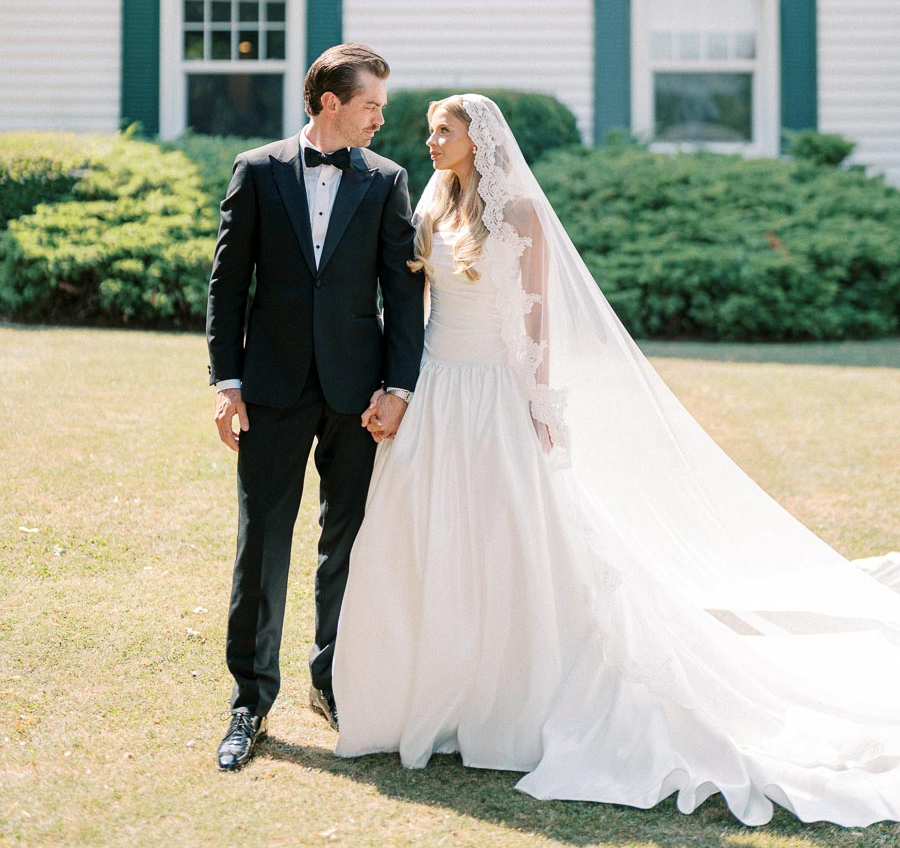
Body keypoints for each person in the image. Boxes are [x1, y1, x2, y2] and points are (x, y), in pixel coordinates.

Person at [333, 94, 900, 828]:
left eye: (448, 130)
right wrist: (400, 389)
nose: (433, 139)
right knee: (430, 538)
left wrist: (541, 406)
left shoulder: (522, 218)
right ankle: (432, 693)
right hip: (439, 391)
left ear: (482, 142)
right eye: (432, 129)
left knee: (514, 541)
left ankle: (511, 700)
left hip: (496, 396)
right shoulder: (431, 204)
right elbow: (407, 306)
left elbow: (536, 319)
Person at [206, 44, 425, 771]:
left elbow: (402, 291)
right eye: (371, 106)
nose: (379, 120)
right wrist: (225, 381)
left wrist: (397, 390)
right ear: (330, 102)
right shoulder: (258, 170)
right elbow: (228, 283)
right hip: (270, 386)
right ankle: (250, 701)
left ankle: (332, 681)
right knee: (261, 543)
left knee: (349, 542)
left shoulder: (387, 179)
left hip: (356, 395)